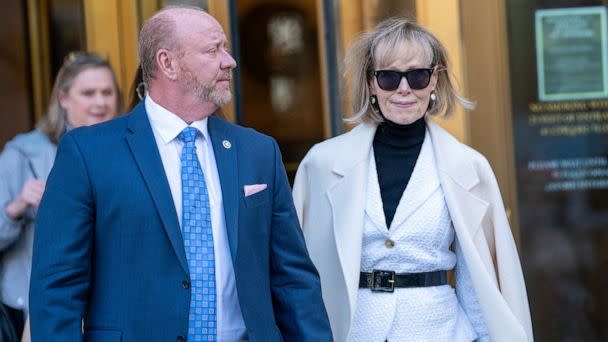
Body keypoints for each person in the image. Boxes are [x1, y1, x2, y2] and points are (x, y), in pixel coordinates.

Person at [30, 6, 331, 342]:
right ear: (167, 63)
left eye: (226, 49)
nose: (229, 61)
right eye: (212, 50)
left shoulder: (258, 152)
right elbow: (57, 288)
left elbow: (293, 280)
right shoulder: (88, 154)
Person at [293, 18, 533, 342]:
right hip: (352, 332)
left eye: (417, 76)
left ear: (434, 80)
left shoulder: (469, 167)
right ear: (371, 82)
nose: (404, 89)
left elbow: (479, 279)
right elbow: (301, 273)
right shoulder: (321, 164)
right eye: (389, 77)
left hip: (441, 331)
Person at [0, 51, 120, 341]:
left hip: (107, 308)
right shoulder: (23, 153)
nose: (100, 102)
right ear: (64, 99)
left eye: (107, 92)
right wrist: (16, 207)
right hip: (35, 309)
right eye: (88, 93)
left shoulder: (124, 150)